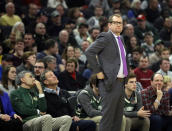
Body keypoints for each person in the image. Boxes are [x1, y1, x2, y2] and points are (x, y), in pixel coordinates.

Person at [85, 13, 128, 131]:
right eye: (116, 23)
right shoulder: (105, 37)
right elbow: (89, 52)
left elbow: (122, 60)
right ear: (109, 25)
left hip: (121, 82)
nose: (119, 25)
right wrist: (98, 72)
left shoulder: (121, 38)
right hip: (109, 82)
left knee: (118, 119)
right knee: (108, 119)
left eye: (121, 23)